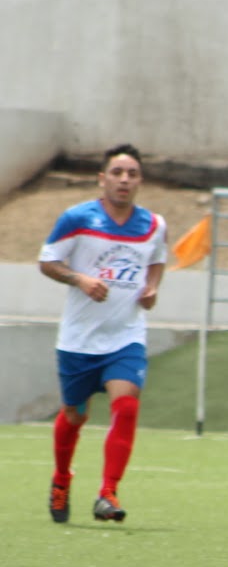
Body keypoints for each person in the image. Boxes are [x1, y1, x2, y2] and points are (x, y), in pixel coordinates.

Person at [38, 143, 167, 525]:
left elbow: (157, 260)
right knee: (74, 414)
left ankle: (108, 492)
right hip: (79, 339)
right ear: (102, 178)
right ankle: (62, 478)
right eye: (117, 173)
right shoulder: (77, 218)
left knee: (126, 405)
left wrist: (152, 287)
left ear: (140, 181)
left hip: (126, 336)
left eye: (132, 174)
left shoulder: (154, 225)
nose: (124, 180)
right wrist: (80, 279)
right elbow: (47, 261)